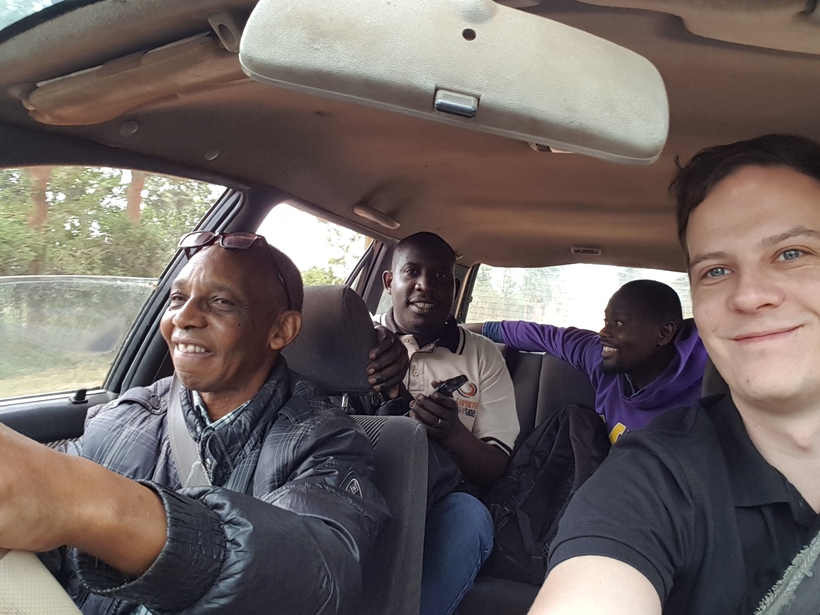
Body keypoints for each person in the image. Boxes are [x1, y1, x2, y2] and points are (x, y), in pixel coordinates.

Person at [0, 231, 400, 614]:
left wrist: (96, 506)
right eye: (177, 298)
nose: (184, 317)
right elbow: (40, 529)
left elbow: (317, 582)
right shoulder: (125, 415)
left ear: (282, 330)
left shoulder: (325, 440)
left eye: (222, 302)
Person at [530, 133, 820, 615]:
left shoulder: (693, 368)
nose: (748, 296)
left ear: (667, 332)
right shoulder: (651, 478)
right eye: (715, 271)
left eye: (791, 253)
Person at [376, 231, 519, 615]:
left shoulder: (483, 356)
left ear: (454, 289)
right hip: (361, 487)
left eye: (440, 276)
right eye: (412, 272)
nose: (425, 285)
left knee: (470, 517)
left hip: (444, 500)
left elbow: (496, 466)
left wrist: (453, 434)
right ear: (390, 282)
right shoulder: (359, 342)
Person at [468, 280, 707, 443]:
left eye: (619, 323)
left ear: (663, 333)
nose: (603, 332)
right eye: (606, 320)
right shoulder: (604, 361)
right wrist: (465, 331)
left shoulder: (708, 390)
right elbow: (547, 336)